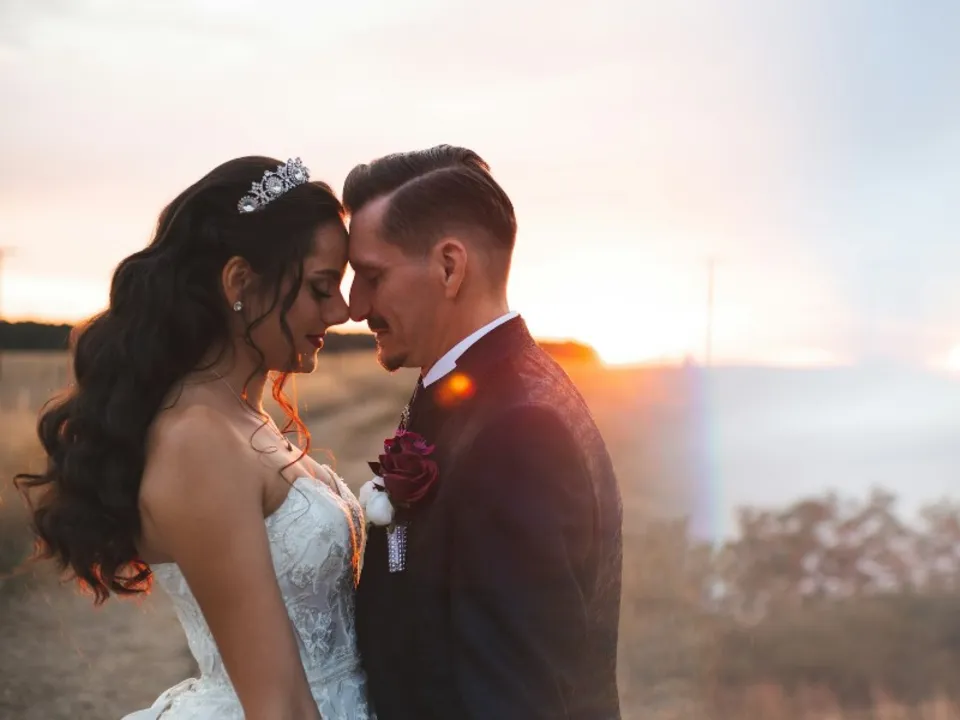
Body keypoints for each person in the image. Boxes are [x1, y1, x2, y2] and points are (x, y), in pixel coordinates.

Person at [15, 157, 374, 719]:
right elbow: (277, 702)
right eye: (321, 287)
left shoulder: (242, 418)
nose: (343, 310)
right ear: (239, 283)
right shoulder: (197, 441)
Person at [345, 144, 624, 720]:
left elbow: (515, 697)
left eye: (372, 276)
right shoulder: (470, 390)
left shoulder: (518, 434)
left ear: (449, 267)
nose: (354, 305)